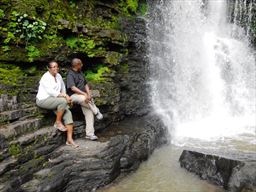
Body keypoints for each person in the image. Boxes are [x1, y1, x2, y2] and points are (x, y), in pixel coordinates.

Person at [36, 61, 79, 148]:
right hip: (43, 99)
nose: (56, 68)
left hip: (55, 99)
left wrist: (65, 95)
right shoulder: (45, 77)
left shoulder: (58, 76)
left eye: (57, 67)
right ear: (49, 68)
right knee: (63, 101)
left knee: (68, 114)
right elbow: (51, 92)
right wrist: (65, 96)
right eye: (54, 67)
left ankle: (69, 140)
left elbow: (63, 87)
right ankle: (58, 122)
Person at [66, 58, 103, 141]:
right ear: (77, 65)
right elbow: (73, 88)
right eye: (81, 64)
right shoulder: (70, 74)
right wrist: (84, 94)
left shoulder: (80, 72)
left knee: (89, 112)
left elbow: (85, 84)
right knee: (84, 98)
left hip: (84, 95)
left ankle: (89, 134)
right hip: (73, 96)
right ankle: (96, 111)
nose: (82, 65)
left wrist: (88, 94)